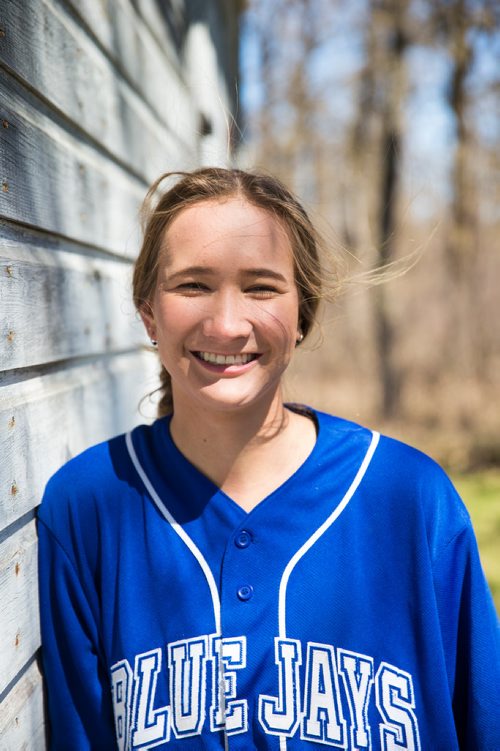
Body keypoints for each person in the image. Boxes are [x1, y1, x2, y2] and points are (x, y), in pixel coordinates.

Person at [38, 167, 499, 751]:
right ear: (148, 311)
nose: (227, 324)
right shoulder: (91, 505)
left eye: (260, 287)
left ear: (302, 311)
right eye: (193, 286)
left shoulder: (409, 499)